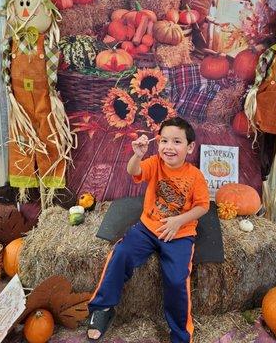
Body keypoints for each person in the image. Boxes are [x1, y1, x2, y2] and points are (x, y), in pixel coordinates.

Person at [87, 116, 210, 342]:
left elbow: (203, 206)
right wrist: (138, 155)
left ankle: (180, 334)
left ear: (190, 147)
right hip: (147, 228)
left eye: (177, 142)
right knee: (121, 254)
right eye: (164, 141)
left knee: (176, 280)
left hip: (179, 234)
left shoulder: (195, 176)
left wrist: (178, 221)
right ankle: (102, 308)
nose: (169, 147)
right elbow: (133, 171)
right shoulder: (154, 163)